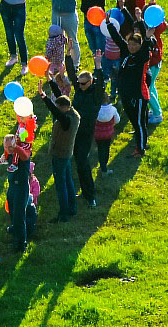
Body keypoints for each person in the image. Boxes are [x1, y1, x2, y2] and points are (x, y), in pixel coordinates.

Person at [66, 46, 108, 208]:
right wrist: (68, 56)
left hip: (85, 133)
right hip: (73, 131)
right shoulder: (80, 89)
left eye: (84, 83)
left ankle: (90, 195)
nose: (80, 85)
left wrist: (98, 65)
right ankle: (82, 190)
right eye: (79, 83)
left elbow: (100, 82)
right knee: (76, 161)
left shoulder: (95, 95)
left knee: (83, 162)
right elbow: (71, 74)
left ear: (90, 82)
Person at [109, 17, 155, 158]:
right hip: (125, 94)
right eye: (130, 44)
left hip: (139, 95)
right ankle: (141, 139)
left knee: (140, 123)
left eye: (135, 45)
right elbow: (117, 39)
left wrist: (145, 34)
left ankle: (140, 149)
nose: (131, 47)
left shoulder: (142, 55)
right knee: (134, 120)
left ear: (139, 46)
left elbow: (147, 46)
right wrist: (108, 23)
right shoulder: (125, 51)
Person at [38, 75, 81, 220]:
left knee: (60, 184)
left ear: (63, 108)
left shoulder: (66, 120)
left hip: (60, 155)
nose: (57, 108)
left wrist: (44, 98)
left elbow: (55, 111)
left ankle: (63, 213)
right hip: (68, 154)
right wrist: (50, 80)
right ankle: (73, 208)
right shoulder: (72, 112)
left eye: (58, 107)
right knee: (68, 181)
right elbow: (60, 97)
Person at [1, 136, 36, 250]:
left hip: (21, 187)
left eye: (10, 147)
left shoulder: (21, 152)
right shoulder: (10, 153)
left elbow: (25, 156)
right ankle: (16, 234)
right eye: (6, 147)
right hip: (12, 187)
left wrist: (15, 147)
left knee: (19, 216)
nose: (8, 149)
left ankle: (21, 244)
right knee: (12, 212)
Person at [94, 102, 120, 175]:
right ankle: (104, 166)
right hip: (108, 134)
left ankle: (102, 166)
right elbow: (117, 120)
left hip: (98, 134)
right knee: (106, 149)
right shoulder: (113, 109)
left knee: (100, 149)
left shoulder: (96, 109)